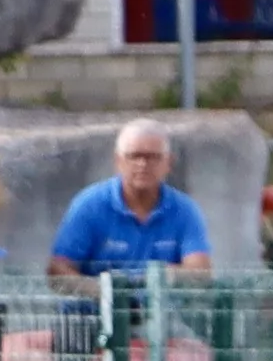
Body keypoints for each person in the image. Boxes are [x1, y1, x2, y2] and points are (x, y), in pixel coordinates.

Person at [52, 117, 214, 279]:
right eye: (134, 156)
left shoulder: (184, 209)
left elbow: (200, 272)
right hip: (97, 303)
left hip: (161, 303)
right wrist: (105, 293)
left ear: (168, 163)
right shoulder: (89, 205)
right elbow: (58, 270)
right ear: (118, 161)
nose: (142, 164)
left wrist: (159, 278)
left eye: (152, 157)